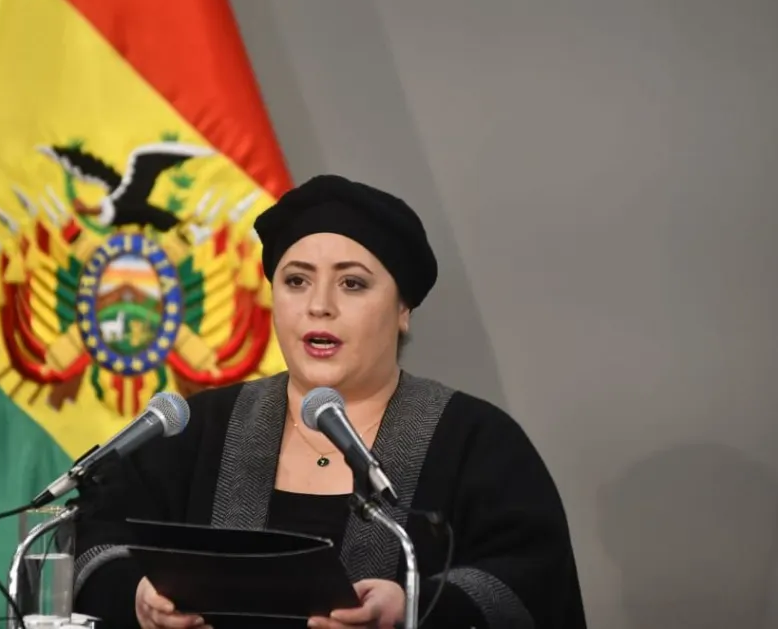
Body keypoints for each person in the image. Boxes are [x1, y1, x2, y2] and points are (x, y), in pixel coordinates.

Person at [71, 174, 587, 629]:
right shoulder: (196, 429)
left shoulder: (476, 440)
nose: (319, 305)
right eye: (296, 281)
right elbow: (94, 548)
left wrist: (414, 607)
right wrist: (139, 596)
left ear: (403, 307)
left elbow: (530, 587)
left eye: (352, 283)